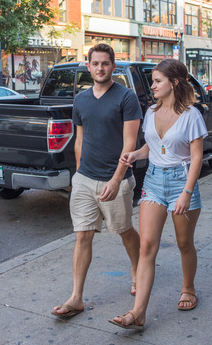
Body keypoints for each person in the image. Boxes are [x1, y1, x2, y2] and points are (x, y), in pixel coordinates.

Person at [109, 59, 207, 331]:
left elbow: (197, 158)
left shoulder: (191, 115)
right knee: (147, 246)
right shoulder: (151, 112)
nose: (152, 85)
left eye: (157, 81)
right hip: (153, 180)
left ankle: (188, 287)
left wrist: (186, 192)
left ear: (174, 82)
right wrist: (134, 154)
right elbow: (151, 148)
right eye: (153, 81)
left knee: (184, 244)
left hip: (181, 182)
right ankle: (138, 312)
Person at [51, 43, 142, 319]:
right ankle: (76, 296)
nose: (100, 68)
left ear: (113, 66)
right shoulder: (81, 99)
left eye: (105, 63)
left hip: (116, 180)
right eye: (95, 63)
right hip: (85, 180)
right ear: (88, 66)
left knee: (124, 230)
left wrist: (116, 180)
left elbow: (130, 145)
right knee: (82, 235)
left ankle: (138, 272)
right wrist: (78, 173)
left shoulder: (126, 98)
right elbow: (80, 139)